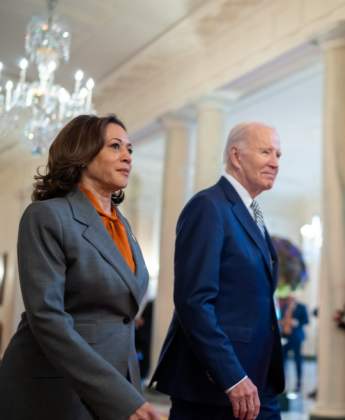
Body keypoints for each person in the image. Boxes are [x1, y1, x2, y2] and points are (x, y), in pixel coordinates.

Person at [0, 115, 160, 420]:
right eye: (115, 146)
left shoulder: (123, 226)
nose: (127, 156)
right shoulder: (47, 215)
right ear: (83, 155)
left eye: (129, 149)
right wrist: (119, 396)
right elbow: (47, 317)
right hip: (55, 387)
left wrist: (128, 390)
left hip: (119, 378)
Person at [150, 122, 285, 420]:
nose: (275, 162)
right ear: (236, 156)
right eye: (266, 151)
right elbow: (193, 302)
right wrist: (232, 377)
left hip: (261, 385)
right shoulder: (208, 206)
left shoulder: (252, 213)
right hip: (218, 389)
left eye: (278, 154)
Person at [280, 295, 309, 392]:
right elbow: (281, 317)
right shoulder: (285, 307)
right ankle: (282, 383)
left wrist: (297, 322)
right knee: (283, 360)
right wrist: (282, 321)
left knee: (297, 360)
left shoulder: (301, 307)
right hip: (285, 337)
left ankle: (299, 383)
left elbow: (306, 320)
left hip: (296, 337)